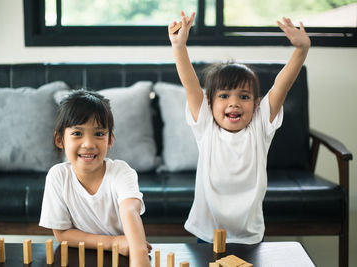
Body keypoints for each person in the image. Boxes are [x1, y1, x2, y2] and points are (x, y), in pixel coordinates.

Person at [168, 11, 310, 244]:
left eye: (243, 96)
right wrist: (179, 46)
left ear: (256, 105)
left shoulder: (260, 127)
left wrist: (301, 50)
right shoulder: (206, 127)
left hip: (249, 235)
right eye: (224, 95)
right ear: (210, 103)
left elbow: (282, 86)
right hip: (208, 232)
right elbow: (191, 85)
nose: (234, 102)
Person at [39, 90, 151, 266]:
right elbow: (62, 234)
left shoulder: (121, 172)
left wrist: (140, 255)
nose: (89, 144)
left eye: (99, 134)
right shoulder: (58, 176)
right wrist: (112, 243)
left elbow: (130, 210)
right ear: (60, 140)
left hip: (122, 257)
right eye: (77, 133)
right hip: (79, 257)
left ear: (109, 140)